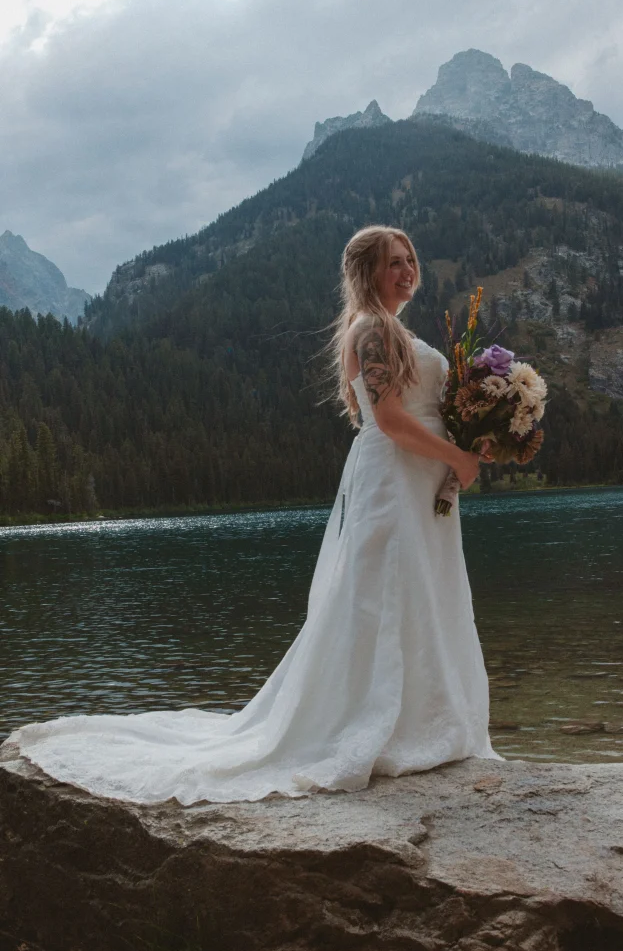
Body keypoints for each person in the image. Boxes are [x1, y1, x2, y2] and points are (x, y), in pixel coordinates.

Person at [8, 225, 500, 805]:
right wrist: (457, 456)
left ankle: (424, 719)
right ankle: (378, 723)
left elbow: (421, 411)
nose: (408, 269)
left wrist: (476, 437)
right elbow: (389, 420)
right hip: (395, 480)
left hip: (421, 481)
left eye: (411, 258)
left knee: (424, 593)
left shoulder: (395, 331)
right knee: (385, 595)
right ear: (368, 272)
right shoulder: (371, 330)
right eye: (394, 262)